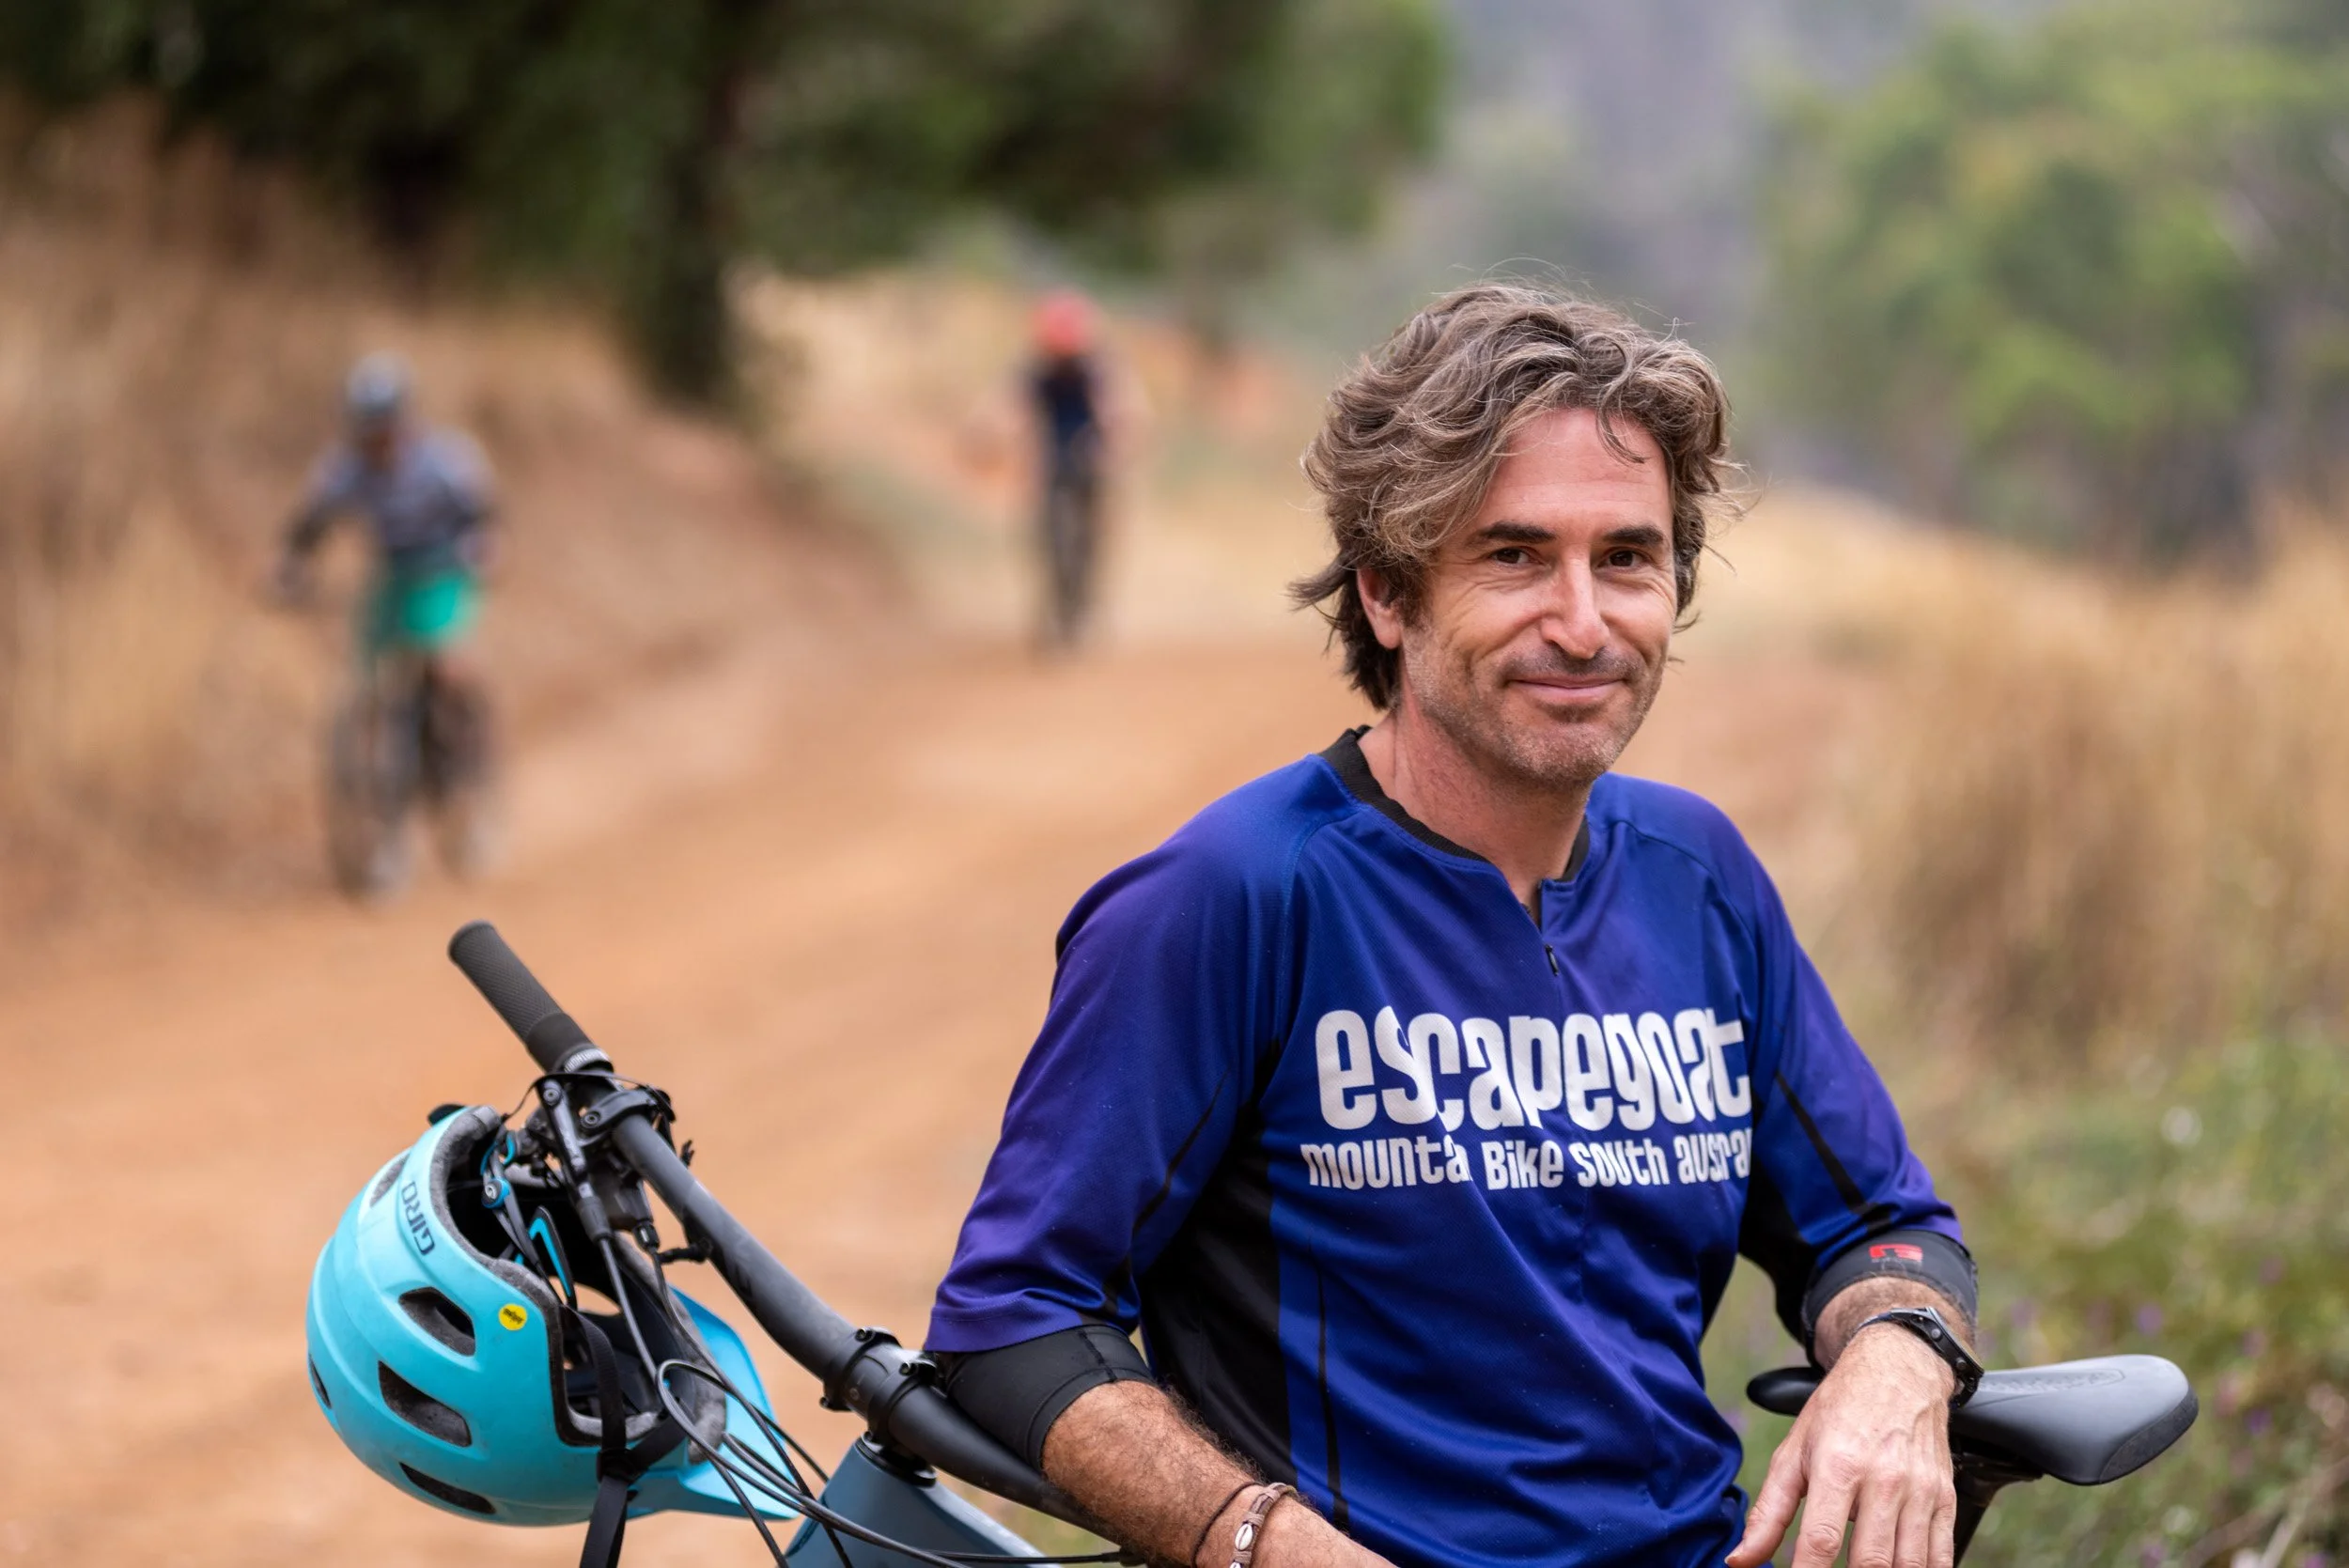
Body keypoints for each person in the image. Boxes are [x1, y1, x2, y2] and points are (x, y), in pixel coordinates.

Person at [926, 286, 1980, 1568]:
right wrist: (1262, 1540)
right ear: (1386, 592)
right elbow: (1014, 1316)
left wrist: (1897, 1353)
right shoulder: (1234, 895)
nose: (1583, 624)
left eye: (1627, 558)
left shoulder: (1698, 877)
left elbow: (1879, 1226)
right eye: (1514, 556)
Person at [274, 353, 498, 876]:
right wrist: (290, 568)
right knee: (368, 678)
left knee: (446, 666)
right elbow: (309, 525)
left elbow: (484, 515)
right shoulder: (345, 469)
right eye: (367, 426)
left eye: (384, 425)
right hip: (391, 578)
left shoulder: (444, 460)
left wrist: (485, 550)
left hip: (443, 572)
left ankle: (467, 765)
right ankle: (379, 808)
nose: (377, 438)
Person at [1028, 289, 1110, 649]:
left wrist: (1113, 439)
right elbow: (1006, 406)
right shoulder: (1038, 372)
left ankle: (1081, 613)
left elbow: (1119, 408)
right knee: (1053, 543)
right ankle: (1060, 614)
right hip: (1054, 466)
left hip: (1088, 466)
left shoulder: (1094, 371)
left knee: (1086, 544)